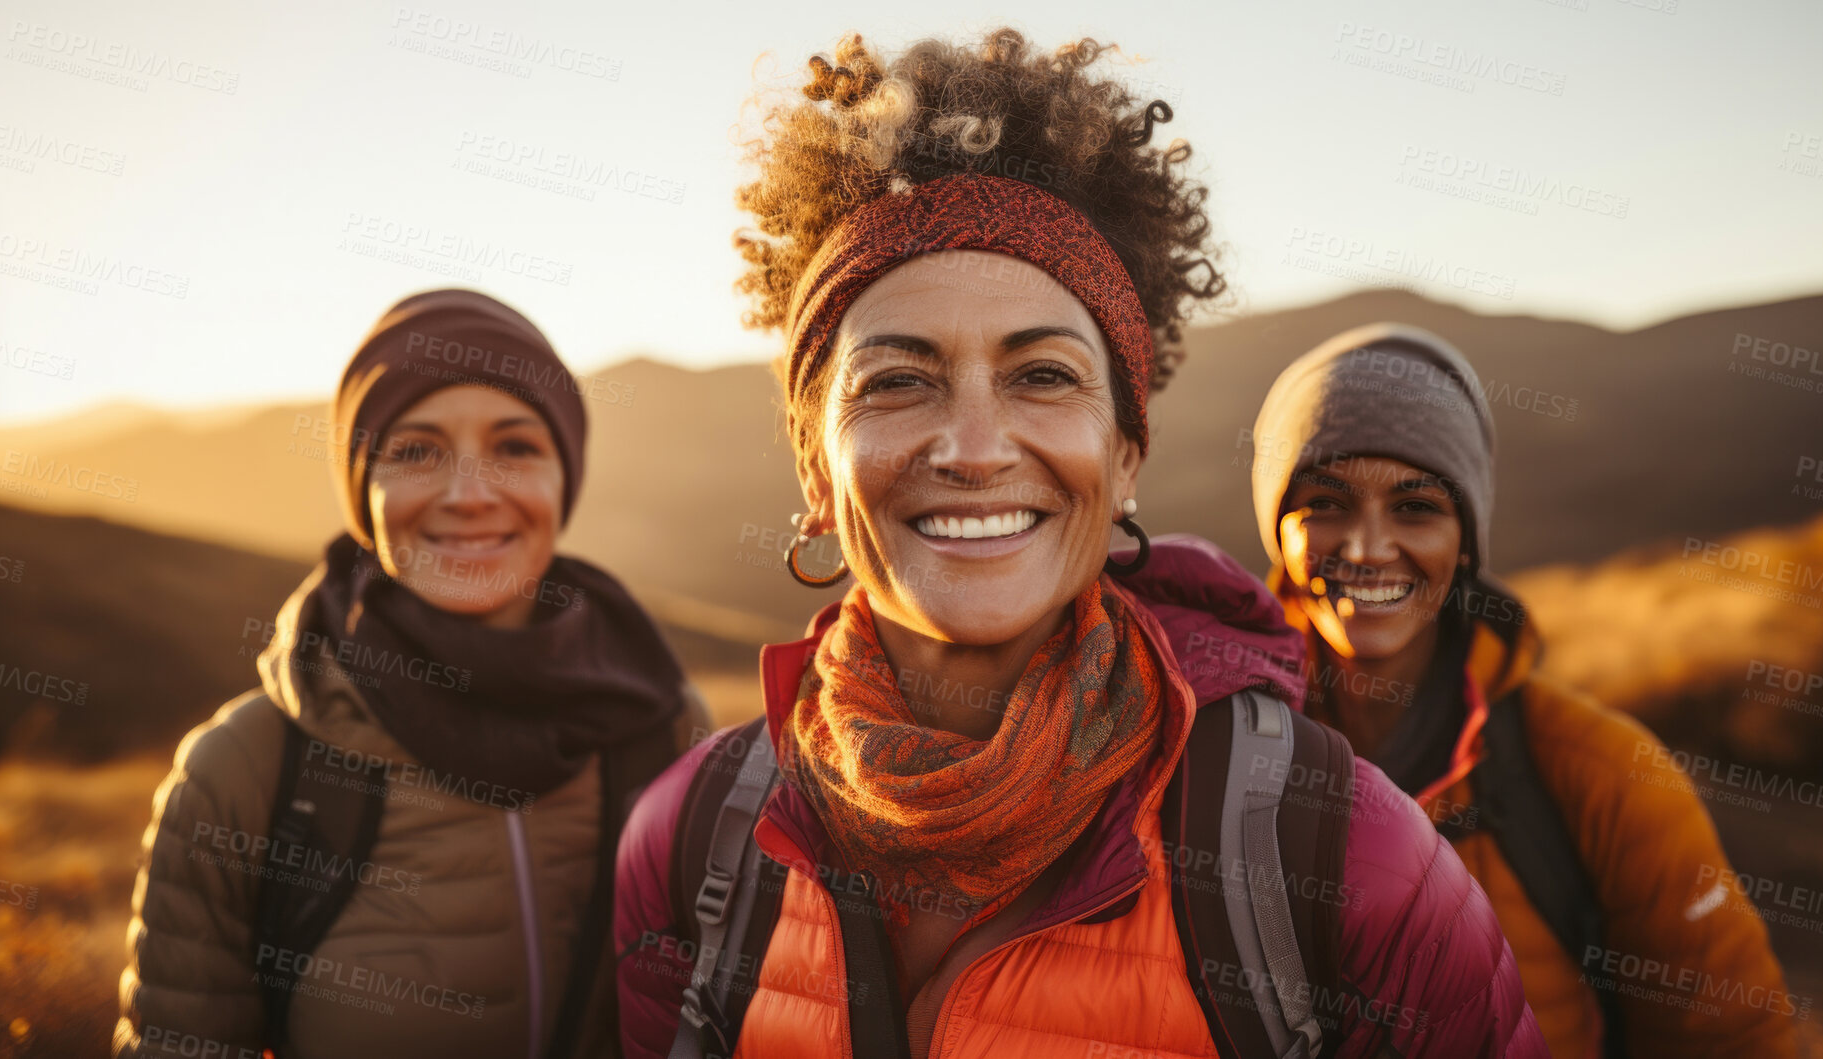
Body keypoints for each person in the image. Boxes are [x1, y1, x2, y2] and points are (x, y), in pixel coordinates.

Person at [612, 30, 1544, 1059]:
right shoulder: (690, 836)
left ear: (1126, 453)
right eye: (895, 380)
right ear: (811, 465)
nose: (972, 449)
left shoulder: (1340, 857)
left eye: (1043, 376)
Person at [115, 289, 711, 1058]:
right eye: (416, 450)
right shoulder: (249, 767)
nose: (469, 493)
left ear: (566, 477)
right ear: (361, 488)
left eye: (516, 446)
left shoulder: (663, 725)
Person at [1249, 322, 1799, 1057]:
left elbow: (1730, 1041)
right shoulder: (1213, 753)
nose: (1368, 547)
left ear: (1468, 540)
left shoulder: (1601, 773)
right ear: (1274, 533)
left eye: (1416, 507)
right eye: (1325, 503)